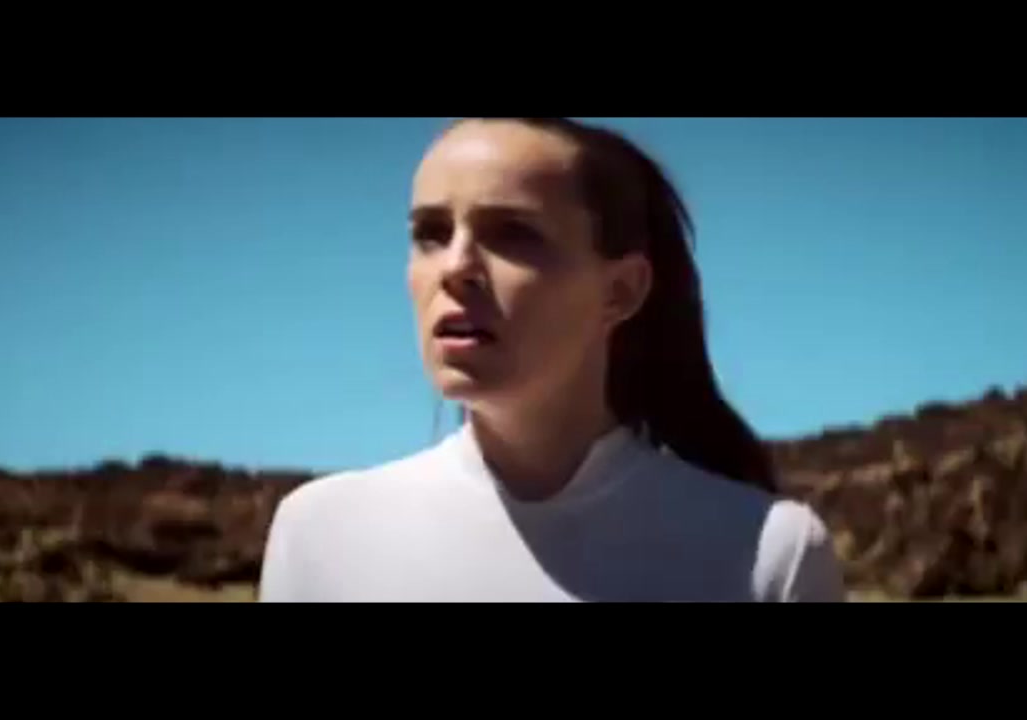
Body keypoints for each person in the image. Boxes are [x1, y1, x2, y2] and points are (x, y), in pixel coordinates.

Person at [259, 117, 846, 602]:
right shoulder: (320, 534)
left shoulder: (769, 554)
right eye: (431, 233)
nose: (455, 267)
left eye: (513, 233)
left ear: (621, 291)